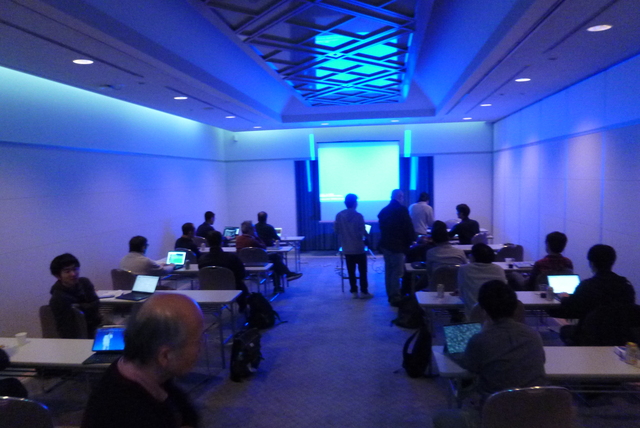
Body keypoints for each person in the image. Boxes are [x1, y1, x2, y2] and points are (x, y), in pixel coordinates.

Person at [432, 280, 546, 428]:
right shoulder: (534, 335)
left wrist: (451, 348)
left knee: (440, 418)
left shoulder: (480, 339)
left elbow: (469, 365)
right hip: (535, 413)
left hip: (495, 415)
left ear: (483, 310)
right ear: (514, 307)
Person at [81, 294, 203, 428]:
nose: (201, 348)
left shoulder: (141, 371)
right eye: (197, 341)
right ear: (165, 356)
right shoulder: (128, 413)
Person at [548, 244, 635, 346]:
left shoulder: (587, 286)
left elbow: (570, 310)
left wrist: (564, 299)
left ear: (591, 263)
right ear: (613, 262)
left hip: (589, 335)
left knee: (565, 329)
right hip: (620, 337)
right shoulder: (626, 285)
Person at [235, 221, 302, 292]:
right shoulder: (252, 240)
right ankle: (282, 281)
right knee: (276, 260)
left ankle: (287, 275)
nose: (255, 230)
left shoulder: (238, 239)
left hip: (244, 263)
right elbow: (263, 246)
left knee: (276, 261)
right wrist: (257, 237)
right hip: (257, 262)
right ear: (250, 230)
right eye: (254, 228)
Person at [49, 253, 102, 338]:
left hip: (96, 327)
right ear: (58, 276)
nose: (73, 274)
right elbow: (66, 329)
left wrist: (79, 307)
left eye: (75, 269)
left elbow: (97, 304)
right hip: (78, 336)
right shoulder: (58, 298)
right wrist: (86, 307)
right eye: (67, 271)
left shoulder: (85, 283)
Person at [377, 189, 415, 306]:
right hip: (397, 245)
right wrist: (412, 240)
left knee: (389, 270)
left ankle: (390, 294)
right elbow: (408, 227)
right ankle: (395, 297)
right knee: (397, 272)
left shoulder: (384, 210)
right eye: (402, 196)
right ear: (400, 196)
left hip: (385, 244)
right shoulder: (402, 210)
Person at [198, 230, 249, 310]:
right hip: (231, 287)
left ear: (207, 242)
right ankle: (243, 308)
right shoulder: (231, 257)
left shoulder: (202, 259)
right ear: (221, 242)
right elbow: (242, 274)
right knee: (240, 283)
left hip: (208, 288)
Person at [334, 194, 371, 299]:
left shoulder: (339, 215)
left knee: (351, 271)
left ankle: (354, 292)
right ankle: (364, 292)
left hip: (347, 248)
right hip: (359, 248)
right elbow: (363, 233)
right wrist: (366, 233)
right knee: (363, 271)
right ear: (355, 203)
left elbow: (336, 230)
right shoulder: (359, 216)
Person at [457, 243, 506, 316]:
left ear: (473, 257)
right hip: (497, 315)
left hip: (473, 316)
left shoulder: (464, 269)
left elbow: (461, 293)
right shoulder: (499, 269)